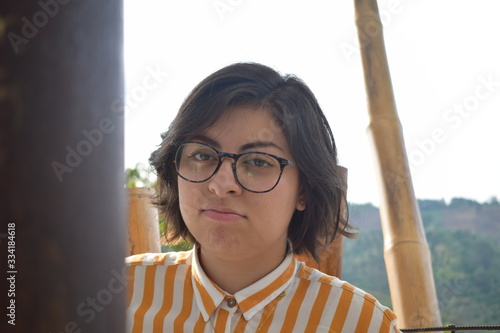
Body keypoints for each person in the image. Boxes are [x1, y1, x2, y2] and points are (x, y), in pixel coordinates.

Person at [126, 62, 401, 332]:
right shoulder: (117, 296)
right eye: (202, 155)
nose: (221, 185)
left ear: (304, 190)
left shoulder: (360, 324)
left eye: (258, 162)